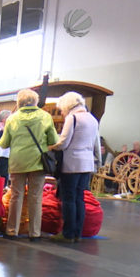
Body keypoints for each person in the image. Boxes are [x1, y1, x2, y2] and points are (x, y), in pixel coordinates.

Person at [0, 89, 59, 241]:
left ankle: (12, 230)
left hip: (17, 162)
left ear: (19, 102)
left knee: (15, 196)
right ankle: (35, 233)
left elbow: (4, 143)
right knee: (36, 197)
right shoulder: (45, 117)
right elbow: (53, 140)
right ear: (36, 101)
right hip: (38, 162)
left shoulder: (12, 119)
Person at [48, 91, 101, 243]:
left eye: (62, 109)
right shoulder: (92, 119)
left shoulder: (73, 118)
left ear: (67, 105)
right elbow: (96, 144)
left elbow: (64, 142)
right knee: (80, 198)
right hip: (87, 164)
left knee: (68, 199)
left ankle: (67, 233)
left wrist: (51, 146)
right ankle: (77, 233)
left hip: (72, 164)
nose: (62, 112)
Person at [0, 110, 12, 185]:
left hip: (7, 155)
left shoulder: (11, 128)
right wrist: (1, 131)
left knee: (5, 174)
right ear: (4, 118)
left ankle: (3, 189)